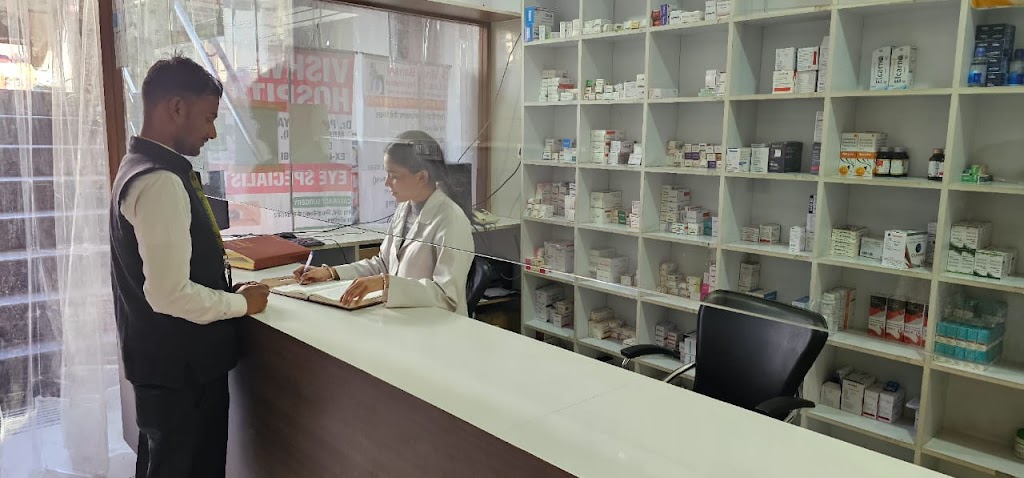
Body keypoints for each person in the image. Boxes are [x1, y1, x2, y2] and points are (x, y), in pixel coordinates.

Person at [108, 55, 270, 478]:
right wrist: (242, 305)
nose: (212, 131)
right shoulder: (159, 180)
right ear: (176, 107)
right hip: (182, 372)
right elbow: (169, 294)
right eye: (209, 117)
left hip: (166, 366)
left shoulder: (139, 165)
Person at [294, 130, 476, 315]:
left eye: (394, 176)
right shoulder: (404, 210)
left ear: (421, 177)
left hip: (438, 324)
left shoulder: (451, 220)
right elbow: (383, 264)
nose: (387, 183)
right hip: (405, 317)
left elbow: (446, 296)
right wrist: (331, 273)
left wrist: (386, 283)